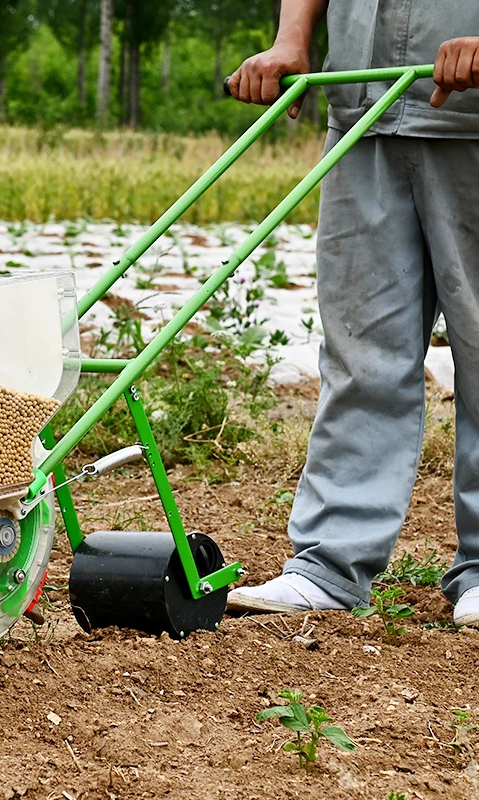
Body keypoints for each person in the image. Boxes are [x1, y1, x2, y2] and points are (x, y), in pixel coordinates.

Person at [225, 0, 479, 626]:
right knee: (359, 354)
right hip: (363, 114)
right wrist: (292, 40)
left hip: (471, 118)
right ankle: (330, 566)